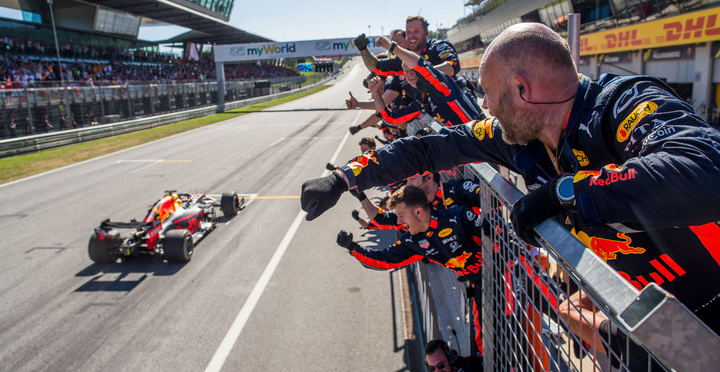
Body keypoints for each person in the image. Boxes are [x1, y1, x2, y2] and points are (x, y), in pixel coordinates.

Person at [302, 23, 720, 339]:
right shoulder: (516, 135)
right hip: (650, 315)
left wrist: (564, 193)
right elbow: (429, 149)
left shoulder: (621, 104)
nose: (482, 104)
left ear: (521, 89)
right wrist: (344, 177)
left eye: (486, 92)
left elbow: (706, 170)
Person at [337, 185, 485, 356]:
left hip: (507, 276)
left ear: (418, 212)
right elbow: (384, 260)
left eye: (400, 215)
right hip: (481, 287)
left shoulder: (458, 217)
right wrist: (353, 248)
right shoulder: (414, 241)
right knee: (483, 345)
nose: (398, 222)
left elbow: (502, 237)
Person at [371, 36, 484, 125]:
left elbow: (424, 68)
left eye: (412, 69)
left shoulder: (441, 83)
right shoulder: (422, 100)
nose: (410, 74)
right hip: (463, 149)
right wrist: (375, 94)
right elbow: (391, 119)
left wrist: (392, 47)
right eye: (406, 72)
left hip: (480, 143)